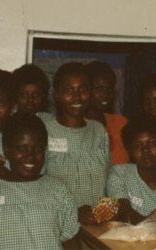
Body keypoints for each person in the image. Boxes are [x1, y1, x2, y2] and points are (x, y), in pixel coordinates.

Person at [0, 113, 80, 250]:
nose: (30, 157)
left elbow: (71, 243)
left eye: (38, 149)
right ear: (6, 150)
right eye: (22, 149)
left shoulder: (58, 190)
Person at [43, 62, 111, 225]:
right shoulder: (45, 130)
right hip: (57, 226)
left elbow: (109, 178)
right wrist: (73, 211)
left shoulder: (98, 130)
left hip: (96, 226)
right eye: (69, 90)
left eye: (83, 89)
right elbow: (37, 186)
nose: (77, 96)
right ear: (57, 95)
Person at [85, 61, 129, 165]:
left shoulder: (121, 123)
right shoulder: (77, 125)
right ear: (86, 89)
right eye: (99, 89)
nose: (105, 94)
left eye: (109, 89)